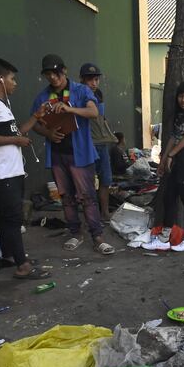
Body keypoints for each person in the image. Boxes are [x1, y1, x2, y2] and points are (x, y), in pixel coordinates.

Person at [0, 58, 50, 279]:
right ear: (0, 79)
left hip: (13, 171)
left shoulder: (3, 105)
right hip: (1, 172)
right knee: (13, 218)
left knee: (7, 218)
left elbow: (18, 132)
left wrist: (36, 117)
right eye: (12, 79)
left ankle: (10, 256)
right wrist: (16, 141)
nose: (15, 83)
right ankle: (23, 266)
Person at [31, 54, 114, 255]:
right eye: (48, 74)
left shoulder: (80, 90)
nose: (53, 77)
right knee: (66, 197)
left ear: (64, 70)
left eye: (56, 72)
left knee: (87, 197)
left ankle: (97, 236)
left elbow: (93, 112)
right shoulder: (43, 97)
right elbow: (35, 124)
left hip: (81, 154)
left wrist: (70, 110)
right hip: (58, 154)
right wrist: (48, 133)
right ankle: (75, 233)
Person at [143, 81, 184, 252]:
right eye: (181, 96)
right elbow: (173, 138)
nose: (183, 100)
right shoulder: (181, 115)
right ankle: (164, 238)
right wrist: (163, 161)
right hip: (177, 159)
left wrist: (171, 155)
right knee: (169, 197)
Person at [80, 63, 118, 223]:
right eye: (90, 80)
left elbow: (101, 119)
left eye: (96, 79)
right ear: (82, 80)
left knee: (106, 180)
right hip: (88, 145)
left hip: (102, 144)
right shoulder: (78, 95)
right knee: (87, 183)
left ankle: (104, 214)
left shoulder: (99, 94)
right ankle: (91, 216)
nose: (94, 83)